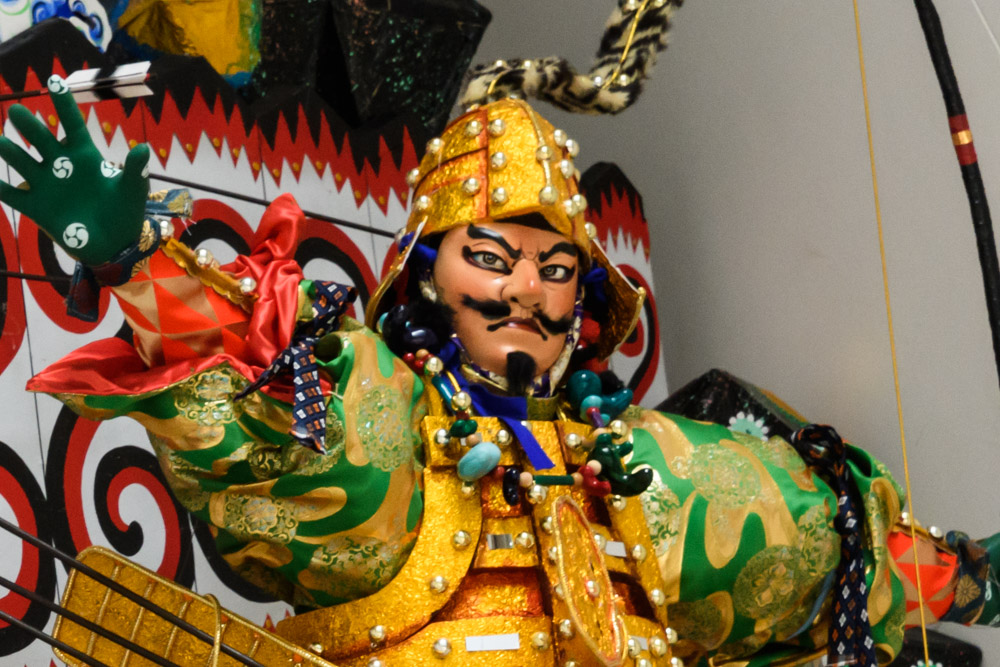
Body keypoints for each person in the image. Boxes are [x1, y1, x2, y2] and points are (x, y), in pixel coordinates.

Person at [1, 77, 996, 667]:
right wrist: (140, 261)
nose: (526, 287)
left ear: (584, 304)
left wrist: (969, 577)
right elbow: (260, 392)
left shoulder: (656, 463)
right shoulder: (374, 408)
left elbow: (816, 551)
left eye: (557, 268)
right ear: (424, 278)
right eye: (491, 256)